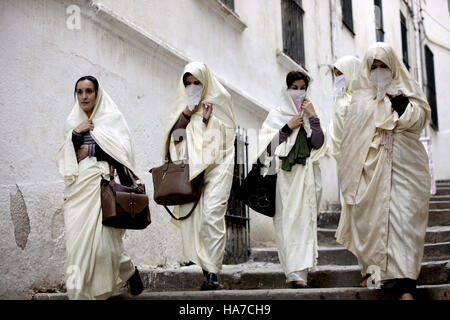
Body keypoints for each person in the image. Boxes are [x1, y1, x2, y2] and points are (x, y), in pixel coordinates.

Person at [338, 42, 431, 300]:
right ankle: (375, 273)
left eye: (384, 66)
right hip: (370, 173)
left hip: (406, 169)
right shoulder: (360, 98)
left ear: (393, 66)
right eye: (374, 67)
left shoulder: (407, 90)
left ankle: (406, 287)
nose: (379, 72)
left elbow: (420, 120)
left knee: (405, 223)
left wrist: (399, 101)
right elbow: (351, 141)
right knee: (371, 223)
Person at [56, 76, 143, 299]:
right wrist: (76, 133)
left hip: (104, 187)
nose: (84, 96)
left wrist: (92, 150)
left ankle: (122, 273)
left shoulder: (111, 118)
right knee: (76, 247)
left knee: (106, 246)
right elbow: (65, 159)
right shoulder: (72, 122)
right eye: (79, 92)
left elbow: (122, 154)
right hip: (78, 192)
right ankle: (81, 293)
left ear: (97, 93)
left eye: (89, 91)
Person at [161, 62, 237, 290]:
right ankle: (206, 270)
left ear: (206, 82)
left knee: (212, 215)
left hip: (218, 167)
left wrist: (207, 120)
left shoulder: (220, 102)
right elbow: (175, 138)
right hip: (191, 172)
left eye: (197, 82)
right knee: (196, 221)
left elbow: (227, 138)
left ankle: (213, 272)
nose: (193, 87)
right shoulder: (181, 107)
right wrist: (188, 113)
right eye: (188, 83)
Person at [255, 70, 327, 288]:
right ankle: (293, 273)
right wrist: (288, 127)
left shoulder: (310, 112)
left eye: (302, 88)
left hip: (306, 177)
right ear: (287, 89)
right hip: (284, 179)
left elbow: (319, 143)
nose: (298, 92)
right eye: (294, 88)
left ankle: (301, 273)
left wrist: (312, 117)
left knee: (304, 223)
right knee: (286, 223)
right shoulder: (277, 114)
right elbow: (266, 148)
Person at [328, 56, 363, 265]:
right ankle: (364, 265)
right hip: (345, 165)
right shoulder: (340, 101)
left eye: (341, 73)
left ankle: (369, 265)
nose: (338, 78)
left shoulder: (360, 100)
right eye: (336, 74)